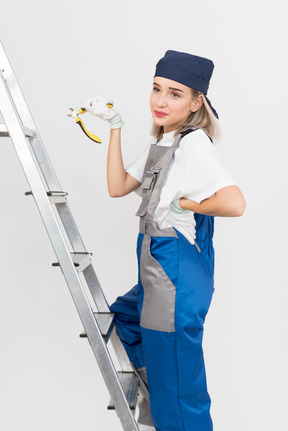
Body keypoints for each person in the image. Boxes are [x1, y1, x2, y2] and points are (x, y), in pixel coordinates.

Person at [85, 50, 246, 431]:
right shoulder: (168, 142)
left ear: (196, 102)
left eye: (175, 93)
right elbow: (118, 186)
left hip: (174, 279)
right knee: (124, 318)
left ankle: (166, 400)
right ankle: (156, 390)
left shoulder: (193, 144)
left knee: (181, 398)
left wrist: (185, 203)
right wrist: (115, 127)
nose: (160, 100)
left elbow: (235, 203)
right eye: (157, 89)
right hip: (156, 275)